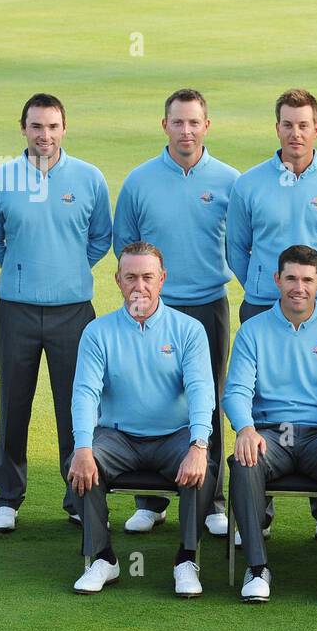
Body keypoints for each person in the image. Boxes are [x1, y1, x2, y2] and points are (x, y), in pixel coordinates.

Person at [228, 88, 317, 542]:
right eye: (287, 124)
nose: (295, 132)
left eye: (303, 124)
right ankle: (257, 512)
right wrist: (266, 285)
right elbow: (237, 247)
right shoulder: (249, 184)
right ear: (277, 128)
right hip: (263, 305)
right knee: (263, 400)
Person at [0, 93, 112, 532]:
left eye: (53, 126)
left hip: (73, 312)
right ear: (24, 129)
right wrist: (25, 272)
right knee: (13, 402)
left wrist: (66, 272)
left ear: (64, 128)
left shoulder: (90, 178)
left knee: (75, 405)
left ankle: (77, 494)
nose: (45, 135)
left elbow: (99, 240)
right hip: (16, 310)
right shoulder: (1, 179)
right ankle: (6, 497)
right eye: (37, 126)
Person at [112, 89, 238, 538]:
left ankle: (212, 499)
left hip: (207, 304)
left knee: (211, 396)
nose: (186, 130)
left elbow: (240, 244)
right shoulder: (140, 181)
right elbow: (124, 244)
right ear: (164, 125)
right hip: (151, 307)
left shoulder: (229, 180)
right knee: (151, 397)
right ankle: (151, 500)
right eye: (178, 122)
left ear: (207, 125)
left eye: (194, 122)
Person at [68, 242, 216, 597]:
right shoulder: (98, 332)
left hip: (174, 437)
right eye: (131, 277)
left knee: (202, 468)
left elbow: (200, 390)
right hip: (119, 438)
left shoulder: (189, 330)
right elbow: (85, 393)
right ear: (117, 280)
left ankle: (186, 559)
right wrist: (83, 447)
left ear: (162, 279)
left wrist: (198, 444)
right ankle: (102, 557)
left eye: (148, 277)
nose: (140, 286)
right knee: (79, 465)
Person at [224, 245, 317, 604]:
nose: (298, 287)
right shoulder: (252, 331)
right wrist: (244, 428)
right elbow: (236, 391)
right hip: (270, 434)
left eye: (306, 279)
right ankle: (257, 567)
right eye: (290, 278)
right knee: (245, 458)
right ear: (277, 280)